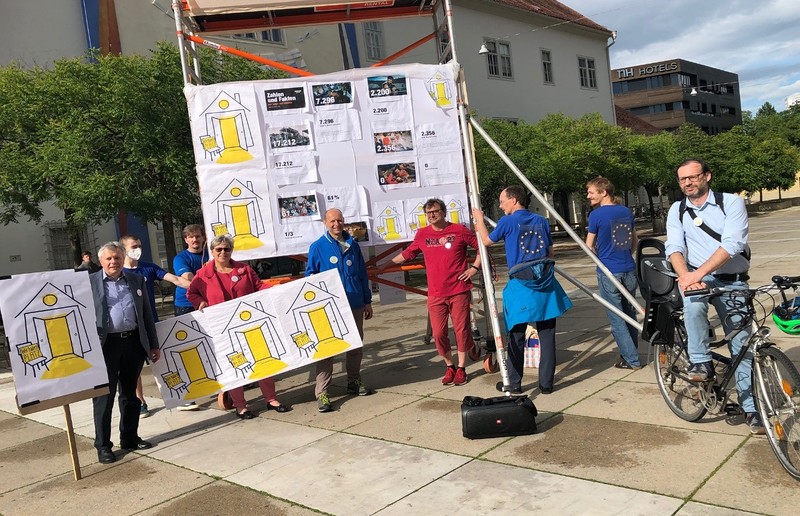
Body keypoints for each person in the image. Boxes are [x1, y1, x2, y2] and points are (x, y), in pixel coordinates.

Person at [665, 158, 762, 434]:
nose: (688, 182)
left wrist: (695, 274)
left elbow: (733, 243)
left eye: (693, 177)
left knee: (742, 345)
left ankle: (751, 408)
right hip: (697, 277)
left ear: (707, 176)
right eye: (682, 179)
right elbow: (674, 246)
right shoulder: (677, 209)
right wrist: (687, 276)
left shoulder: (730, 202)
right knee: (694, 305)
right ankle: (701, 362)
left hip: (732, 279)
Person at [472, 186, 572, 395]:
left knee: (516, 334)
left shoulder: (508, 221)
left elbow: (487, 240)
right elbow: (550, 253)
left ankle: (514, 382)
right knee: (547, 334)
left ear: (514, 200)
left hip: (521, 284)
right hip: (544, 281)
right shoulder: (541, 221)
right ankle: (546, 383)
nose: (501, 206)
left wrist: (479, 220)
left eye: (502, 201)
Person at [187, 234, 289, 418]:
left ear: (232, 250)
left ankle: (271, 399)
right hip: (222, 327)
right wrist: (200, 302)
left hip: (250, 322)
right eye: (219, 249)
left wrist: (276, 289)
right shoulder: (202, 274)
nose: (223, 252)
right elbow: (191, 293)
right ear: (212, 251)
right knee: (235, 363)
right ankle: (240, 405)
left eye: (227, 249)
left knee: (262, 359)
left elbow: (258, 287)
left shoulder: (244, 269)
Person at [387, 198, 481, 386]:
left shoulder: (459, 230)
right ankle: (450, 365)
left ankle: (461, 368)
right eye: (428, 213)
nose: (432, 215)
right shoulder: (422, 234)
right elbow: (408, 253)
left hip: (459, 290)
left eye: (435, 211)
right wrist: (385, 265)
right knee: (438, 333)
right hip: (436, 293)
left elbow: (481, 246)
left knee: (461, 330)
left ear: (444, 212)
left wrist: (474, 268)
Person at [89, 242, 161, 464]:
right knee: (104, 396)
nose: (113, 262)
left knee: (130, 394)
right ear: (101, 261)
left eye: (117, 258)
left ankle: (129, 437)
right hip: (105, 346)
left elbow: (147, 314)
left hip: (133, 343)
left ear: (123, 259)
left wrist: (153, 344)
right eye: (109, 258)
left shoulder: (136, 280)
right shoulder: (89, 283)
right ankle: (103, 445)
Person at [305, 208, 374, 413]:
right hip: (329, 308)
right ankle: (322, 392)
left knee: (356, 346)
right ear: (325, 223)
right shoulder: (317, 247)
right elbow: (310, 276)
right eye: (333, 221)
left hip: (354, 302)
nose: (337, 224)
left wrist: (367, 300)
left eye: (340, 220)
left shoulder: (352, 245)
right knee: (327, 349)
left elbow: (361, 274)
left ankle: (354, 381)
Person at [121, 234, 191, 418]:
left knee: (164, 361)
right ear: (123, 249)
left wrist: (197, 288)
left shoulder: (149, 268)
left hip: (152, 323)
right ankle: (140, 402)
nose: (138, 249)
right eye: (133, 246)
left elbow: (175, 279)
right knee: (134, 368)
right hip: (132, 328)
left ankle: (178, 396)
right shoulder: (119, 273)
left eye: (139, 245)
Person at [585, 177, 641, 369]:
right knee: (629, 313)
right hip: (628, 268)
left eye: (591, 192)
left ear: (604, 192)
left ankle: (631, 359)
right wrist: (625, 255)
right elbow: (634, 241)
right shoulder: (625, 211)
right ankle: (631, 353)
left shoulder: (596, 215)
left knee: (617, 318)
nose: (588, 196)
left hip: (609, 271)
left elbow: (589, 246)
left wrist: (601, 259)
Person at [172, 224, 209, 411]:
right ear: (186, 239)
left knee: (212, 345)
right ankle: (187, 394)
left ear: (203, 237)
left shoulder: (211, 254)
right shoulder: (181, 258)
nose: (195, 240)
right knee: (187, 349)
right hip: (185, 306)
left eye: (198, 236)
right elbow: (187, 277)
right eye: (191, 237)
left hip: (210, 304)